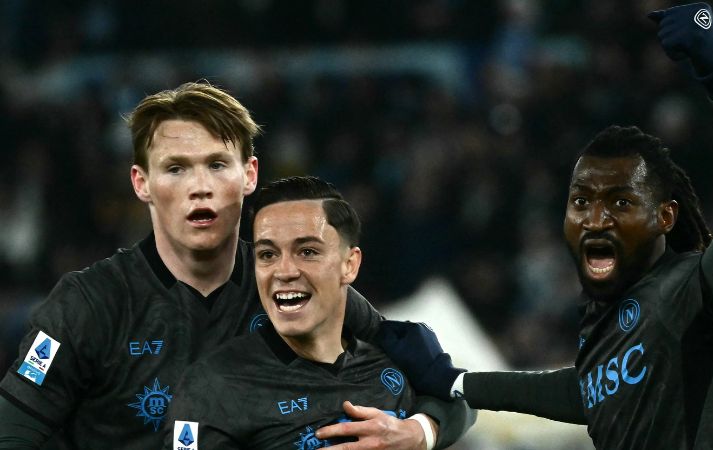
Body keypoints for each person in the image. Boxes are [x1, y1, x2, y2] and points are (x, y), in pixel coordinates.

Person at [376, 3, 713, 449]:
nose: (595, 218)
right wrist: (455, 380)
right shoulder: (606, 324)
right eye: (581, 202)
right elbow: (580, 391)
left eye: (620, 202)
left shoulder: (694, 288)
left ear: (664, 218)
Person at [0, 82, 470, 449]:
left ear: (249, 176)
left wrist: (421, 432)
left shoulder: (302, 288)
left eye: (217, 165)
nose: (200, 186)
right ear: (142, 183)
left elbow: (452, 390)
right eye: (176, 168)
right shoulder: (90, 305)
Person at [162, 176, 472, 450]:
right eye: (268, 254)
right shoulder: (213, 386)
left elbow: (462, 400)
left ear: (349, 265)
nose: (284, 271)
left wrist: (420, 433)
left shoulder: (390, 361)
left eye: (307, 251)